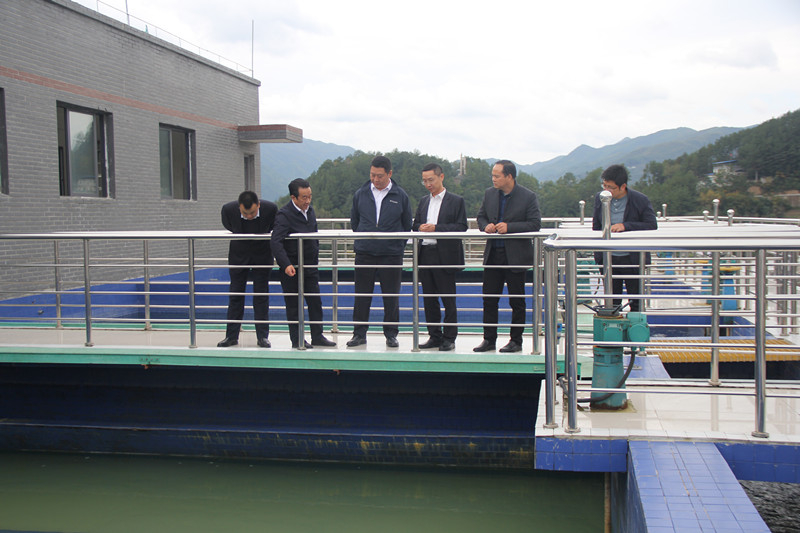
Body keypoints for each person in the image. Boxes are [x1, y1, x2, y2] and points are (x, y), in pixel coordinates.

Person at [474, 160, 541, 353]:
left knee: (517, 301)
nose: (493, 179)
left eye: (497, 176)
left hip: (516, 257)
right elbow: (480, 217)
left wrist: (510, 227)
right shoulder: (489, 194)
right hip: (493, 255)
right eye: (492, 175)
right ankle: (489, 340)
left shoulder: (528, 196)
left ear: (509, 176)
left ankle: (516, 341)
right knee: (489, 299)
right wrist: (485, 226)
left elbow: (534, 224)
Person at [347, 155, 412, 348]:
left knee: (391, 297)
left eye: (380, 176)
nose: (375, 179)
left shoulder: (400, 196)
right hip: (365, 253)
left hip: (391, 255)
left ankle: (391, 334)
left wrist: (396, 246)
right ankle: (359, 334)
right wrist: (364, 239)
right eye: (372, 175)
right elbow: (355, 222)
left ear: (389, 174)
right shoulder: (361, 194)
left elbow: (406, 225)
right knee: (362, 296)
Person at [271, 178, 337, 349]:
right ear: (293, 197)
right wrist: (285, 264)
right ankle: (297, 339)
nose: (308, 201)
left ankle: (317, 336)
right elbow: (276, 242)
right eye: (304, 198)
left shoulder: (310, 211)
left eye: (310, 196)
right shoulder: (284, 215)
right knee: (294, 306)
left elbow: (314, 236)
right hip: (292, 268)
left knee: (315, 302)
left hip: (310, 266)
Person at [412, 163, 468, 351]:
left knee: (448, 299)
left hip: (445, 255)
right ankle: (434, 336)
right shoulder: (423, 201)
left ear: (441, 177)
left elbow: (461, 227)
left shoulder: (456, 201)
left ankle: (449, 337)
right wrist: (420, 227)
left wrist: (436, 228)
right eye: (424, 181)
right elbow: (415, 225)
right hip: (425, 254)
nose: (428, 184)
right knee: (429, 299)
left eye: (431, 180)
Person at [592, 164, 657, 311]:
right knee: (611, 301)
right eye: (604, 185)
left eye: (611, 187)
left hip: (632, 258)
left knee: (636, 300)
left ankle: (635, 324)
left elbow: (651, 225)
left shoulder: (640, 200)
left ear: (623, 186)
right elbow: (596, 225)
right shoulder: (600, 198)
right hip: (608, 258)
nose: (606, 190)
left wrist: (626, 226)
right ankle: (614, 324)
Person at [218, 191, 277, 348]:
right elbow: (228, 225)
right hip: (239, 255)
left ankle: (262, 337)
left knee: (261, 296)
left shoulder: (271, 209)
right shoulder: (228, 210)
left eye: (252, 213)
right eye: (245, 213)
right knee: (235, 295)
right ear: (239, 207)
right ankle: (231, 336)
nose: (249, 216)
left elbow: (273, 226)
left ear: (259, 205)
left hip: (262, 255)